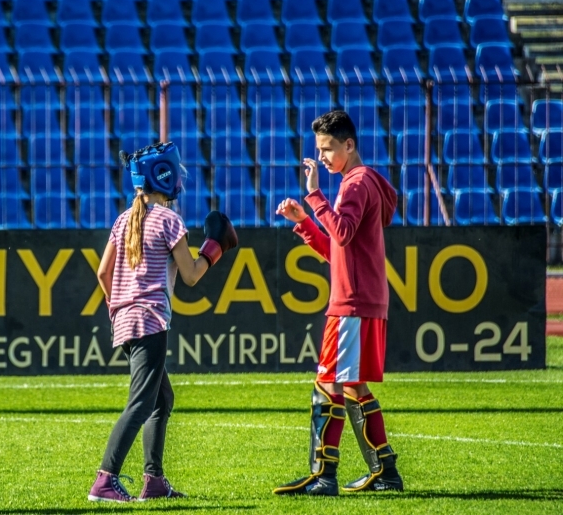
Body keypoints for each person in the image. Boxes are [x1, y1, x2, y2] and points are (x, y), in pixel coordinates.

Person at [87, 142, 238, 503]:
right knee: (142, 402)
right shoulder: (169, 220)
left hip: (124, 322)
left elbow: (103, 271)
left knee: (161, 399)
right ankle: (105, 480)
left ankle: (154, 482)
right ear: (164, 176)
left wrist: (118, 308)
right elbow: (190, 275)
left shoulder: (123, 219)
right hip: (151, 321)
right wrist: (215, 246)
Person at [272, 110, 403, 497]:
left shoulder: (354, 183)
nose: (323, 157)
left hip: (351, 304)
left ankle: (323, 475)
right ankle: (384, 471)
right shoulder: (367, 182)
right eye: (319, 150)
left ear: (350, 145)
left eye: (328, 149)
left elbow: (342, 234)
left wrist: (314, 195)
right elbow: (340, 251)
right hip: (362, 299)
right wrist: (306, 224)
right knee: (351, 387)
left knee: (327, 385)